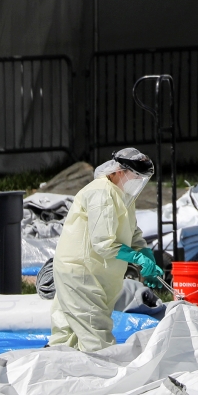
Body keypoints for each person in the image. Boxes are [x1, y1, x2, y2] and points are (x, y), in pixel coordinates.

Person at [49, 148, 164, 352]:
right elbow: (102, 243)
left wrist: (145, 252)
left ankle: (67, 376)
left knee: (69, 336)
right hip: (81, 273)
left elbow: (131, 229)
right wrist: (136, 257)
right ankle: (103, 380)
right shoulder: (101, 193)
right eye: (135, 175)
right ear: (119, 170)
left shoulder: (122, 195)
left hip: (96, 274)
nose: (138, 181)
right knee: (97, 339)